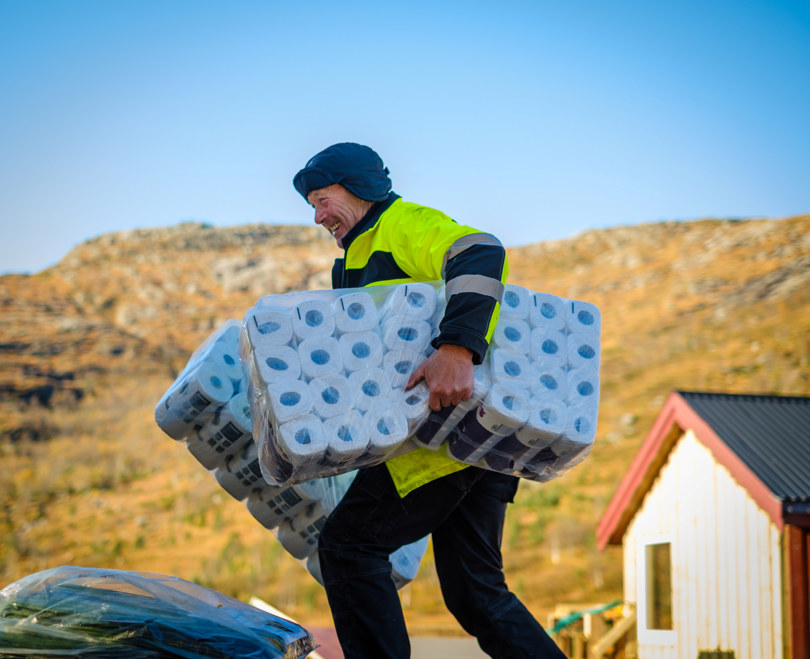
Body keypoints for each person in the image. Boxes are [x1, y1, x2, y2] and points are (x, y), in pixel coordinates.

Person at [293, 143, 566, 658]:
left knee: (349, 549)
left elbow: (480, 250)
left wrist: (457, 349)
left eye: (323, 199)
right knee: (475, 594)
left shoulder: (399, 225)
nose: (317, 216)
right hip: (480, 439)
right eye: (312, 205)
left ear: (358, 187)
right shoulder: (358, 254)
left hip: (436, 439)